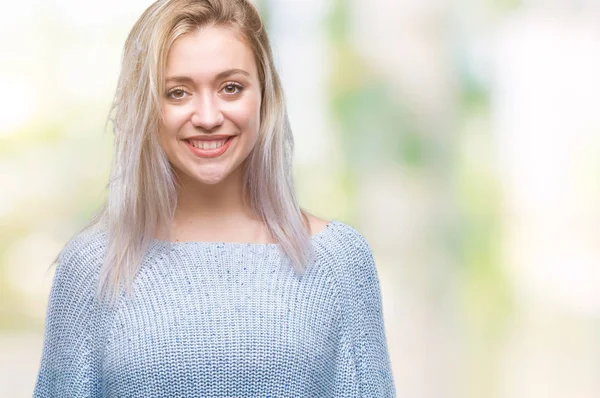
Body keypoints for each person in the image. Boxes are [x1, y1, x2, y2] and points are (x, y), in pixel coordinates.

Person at [33, 0, 396, 396]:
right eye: (177, 92)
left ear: (265, 97)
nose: (207, 116)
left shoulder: (336, 259)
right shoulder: (92, 268)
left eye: (231, 88)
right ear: (147, 106)